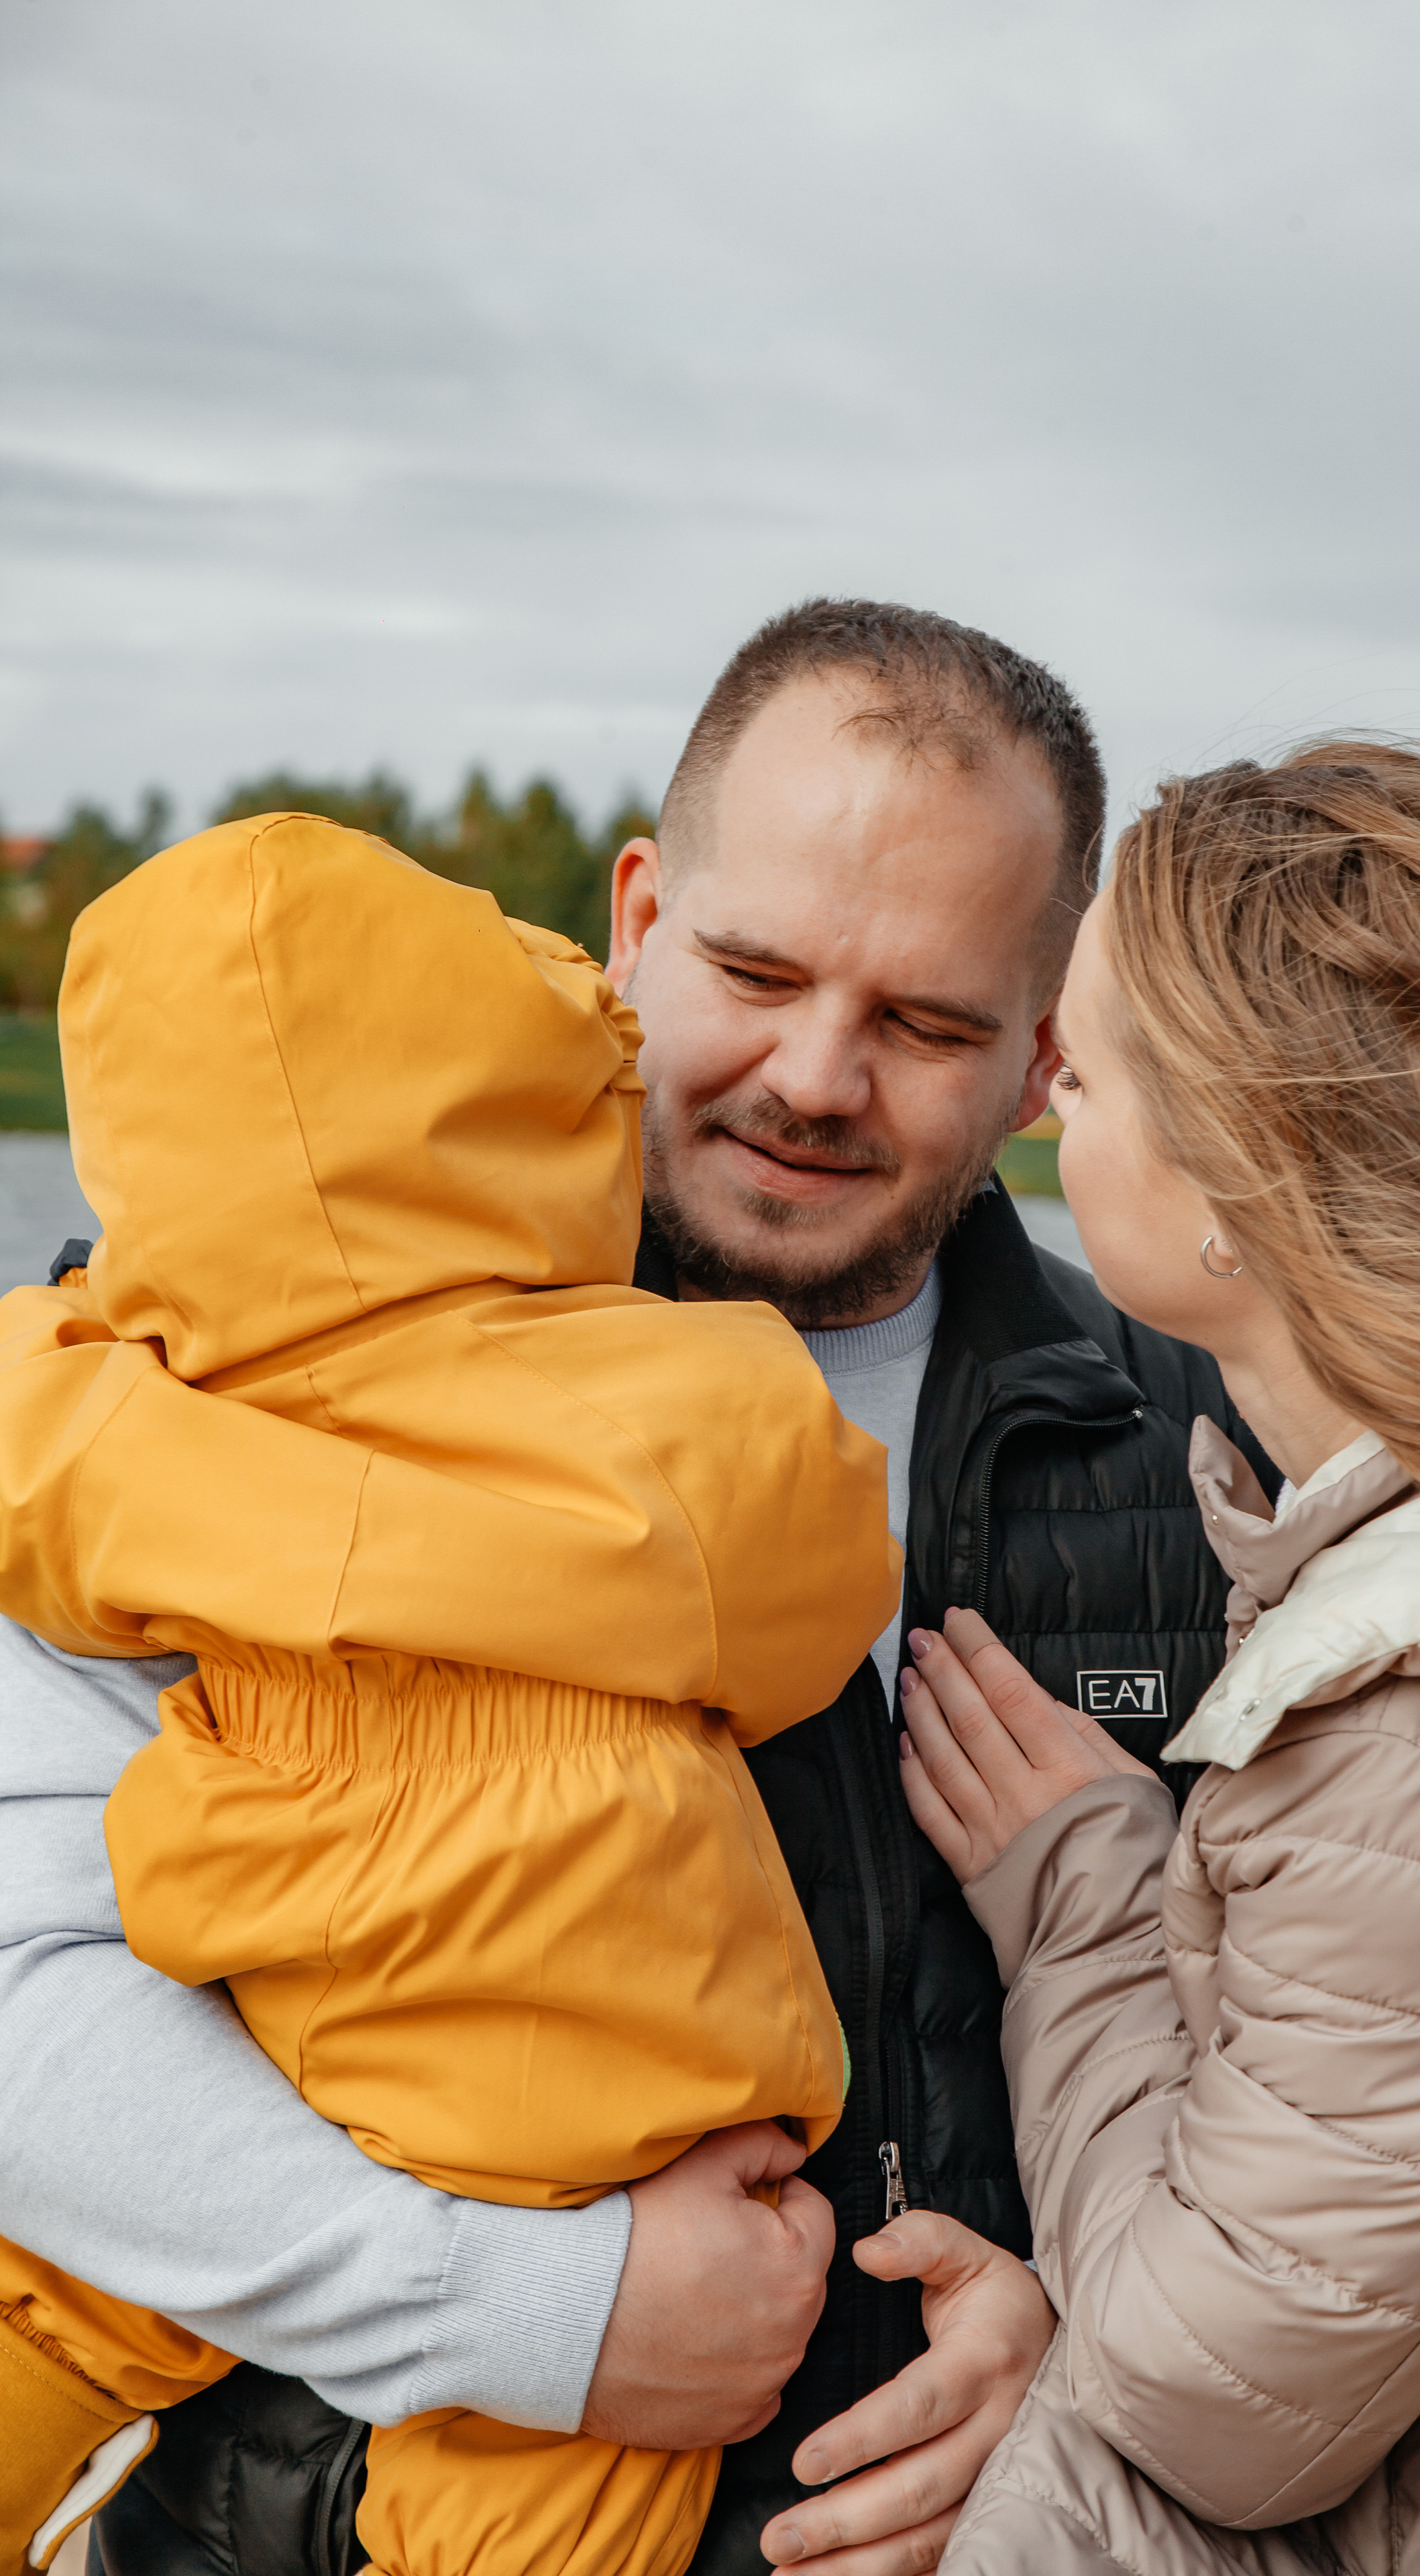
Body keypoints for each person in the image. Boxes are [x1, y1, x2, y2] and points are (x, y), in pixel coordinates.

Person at [0, 602, 1262, 2575]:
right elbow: (24, 2025)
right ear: (639, 915)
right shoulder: (197, 1371)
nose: (818, 1076)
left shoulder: (1211, 1452)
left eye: (926, 1023)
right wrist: (547, 2317)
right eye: (756, 970)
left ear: (1040, 1057)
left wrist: (1092, 2345)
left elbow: (1353, 2071)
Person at [0, 811, 898, 2575]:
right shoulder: (692, 1405)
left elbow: (38, 1503)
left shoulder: (100, 1402)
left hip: (242, 1883)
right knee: (562, 2458)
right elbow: (810, 1607)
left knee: (58, 2296)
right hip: (553, 1981)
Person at [895, 745, 1420, 2573]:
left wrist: (1089, 1910)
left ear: (1244, 1196)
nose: (1034, 1101)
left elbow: (1210, 2396)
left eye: (1086, 1068)